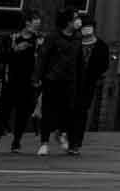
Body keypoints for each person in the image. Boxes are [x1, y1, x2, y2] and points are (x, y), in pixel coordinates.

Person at [0, 11, 42, 153]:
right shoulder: (11, 38)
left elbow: (42, 61)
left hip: (28, 83)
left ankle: (16, 142)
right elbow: (0, 56)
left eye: (38, 26)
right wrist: (15, 49)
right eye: (35, 25)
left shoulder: (38, 41)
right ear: (27, 23)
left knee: (22, 114)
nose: (36, 29)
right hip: (10, 81)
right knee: (3, 111)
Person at [36, 9, 83, 156]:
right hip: (52, 78)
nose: (78, 21)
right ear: (67, 21)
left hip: (70, 79)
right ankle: (44, 143)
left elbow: (79, 60)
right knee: (48, 110)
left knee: (68, 109)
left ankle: (62, 132)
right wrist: (37, 76)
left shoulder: (77, 38)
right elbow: (43, 57)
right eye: (75, 18)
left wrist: (81, 77)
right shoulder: (53, 37)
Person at [68, 20, 111, 153]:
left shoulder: (101, 46)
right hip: (72, 82)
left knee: (81, 111)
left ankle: (76, 142)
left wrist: (94, 75)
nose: (86, 30)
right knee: (70, 110)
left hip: (88, 84)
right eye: (84, 27)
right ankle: (66, 134)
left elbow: (105, 65)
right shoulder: (74, 44)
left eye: (89, 27)